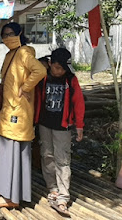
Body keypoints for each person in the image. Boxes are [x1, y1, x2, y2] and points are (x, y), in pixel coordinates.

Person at [0, 22, 47, 209]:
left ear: (20, 33)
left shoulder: (23, 53)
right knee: (12, 154)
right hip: (9, 111)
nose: (7, 38)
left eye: (10, 34)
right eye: (4, 35)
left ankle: (10, 198)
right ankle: (10, 194)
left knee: (12, 153)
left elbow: (41, 70)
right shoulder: (11, 54)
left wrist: (25, 87)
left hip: (18, 113)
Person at [34, 47, 85, 216]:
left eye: (63, 68)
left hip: (63, 126)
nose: (60, 71)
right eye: (57, 67)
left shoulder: (71, 80)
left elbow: (78, 103)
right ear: (49, 64)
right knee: (47, 155)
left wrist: (79, 126)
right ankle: (53, 188)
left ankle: (63, 196)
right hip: (44, 123)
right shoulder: (43, 78)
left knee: (62, 159)